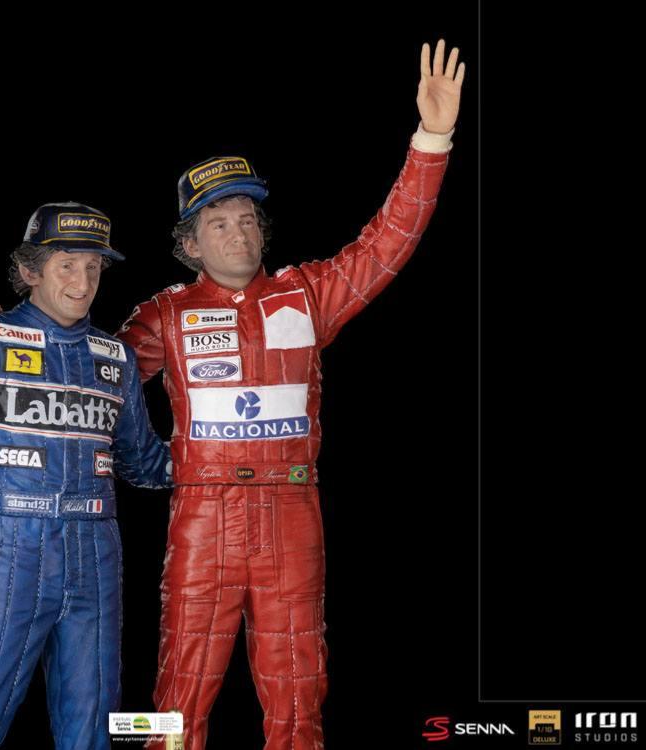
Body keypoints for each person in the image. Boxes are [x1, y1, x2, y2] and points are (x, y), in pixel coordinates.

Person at [115, 40, 465, 749]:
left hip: (292, 510)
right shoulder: (164, 313)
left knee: (301, 689)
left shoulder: (305, 293)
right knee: (175, 691)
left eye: (247, 219)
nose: (237, 233)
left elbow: (386, 245)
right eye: (218, 223)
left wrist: (431, 139)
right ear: (190, 243)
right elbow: (90, 373)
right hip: (202, 515)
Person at [0, 151, 173, 750]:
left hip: (99, 551)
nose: (83, 282)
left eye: (94, 267)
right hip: (15, 547)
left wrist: (226, 458)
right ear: (29, 271)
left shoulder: (116, 358)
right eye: (66, 264)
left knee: (93, 730)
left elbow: (146, 463)